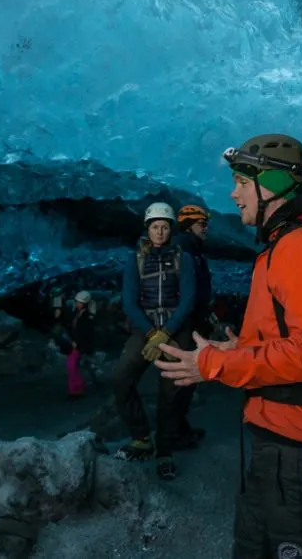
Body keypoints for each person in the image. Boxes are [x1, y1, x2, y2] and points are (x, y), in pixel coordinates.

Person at [156, 134, 302, 558]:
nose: (232, 194)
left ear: (273, 184)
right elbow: (290, 338)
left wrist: (214, 364)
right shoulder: (285, 244)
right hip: (279, 436)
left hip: (299, 444)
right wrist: (240, 348)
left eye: (241, 183)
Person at [113, 202, 196, 481]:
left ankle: (165, 450)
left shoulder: (183, 258)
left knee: (171, 392)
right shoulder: (134, 258)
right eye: (155, 226)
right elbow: (129, 300)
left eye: (164, 227)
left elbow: (188, 298)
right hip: (145, 328)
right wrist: (151, 333)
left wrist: (167, 331)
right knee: (122, 376)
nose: (159, 232)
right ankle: (141, 438)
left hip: (175, 328)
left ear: (171, 229)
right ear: (147, 229)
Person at [172, 204, 213, 447]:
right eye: (202, 223)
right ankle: (173, 434)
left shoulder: (194, 249)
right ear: (189, 225)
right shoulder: (183, 248)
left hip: (193, 320)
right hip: (185, 323)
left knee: (187, 381)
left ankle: (179, 427)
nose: (206, 228)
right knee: (181, 380)